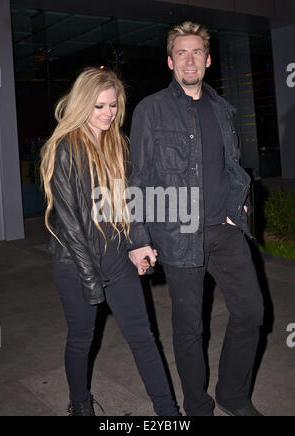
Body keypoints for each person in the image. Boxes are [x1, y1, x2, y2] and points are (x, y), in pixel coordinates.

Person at [128, 22, 264, 416]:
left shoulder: (222, 108)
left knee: (252, 312)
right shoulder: (150, 110)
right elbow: (139, 178)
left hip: (224, 231)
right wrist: (139, 237)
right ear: (171, 61)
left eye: (197, 53)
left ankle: (233, 394)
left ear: (208, 59)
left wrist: (240, 206)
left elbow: (231, 166)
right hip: (178, 234)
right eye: (182, 53)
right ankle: (198, 406)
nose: (191, 60)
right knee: (190, 330)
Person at [40, 67, 180, 417]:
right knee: (82, 338)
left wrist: (139, 243)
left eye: (113, 106)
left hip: (117, 258)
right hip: (76, 263)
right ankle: (81, 404)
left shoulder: (118, 144)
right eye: (99, 106)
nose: (107, 114)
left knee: (143, 338)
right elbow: (69, 222)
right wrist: (90, 278)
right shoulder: (65, 149)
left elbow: (128, 202)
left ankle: (168, 412)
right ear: (82, 104)